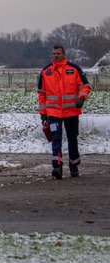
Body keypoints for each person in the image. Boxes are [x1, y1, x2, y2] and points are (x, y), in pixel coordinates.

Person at [38, 43, 91, 179]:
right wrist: (43, 114)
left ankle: (74, 165)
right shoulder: (46, 71)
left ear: (64, 54)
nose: (55, 56)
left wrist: (82, 98)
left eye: (58, 54)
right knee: (56, 138)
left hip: (71, 112)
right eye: (53, 54)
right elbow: (42, 95)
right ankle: (57, 167)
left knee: (72, 139)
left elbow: (85, 86)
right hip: (53, 113)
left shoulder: (74, 69)